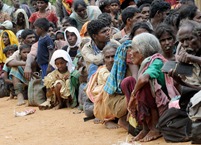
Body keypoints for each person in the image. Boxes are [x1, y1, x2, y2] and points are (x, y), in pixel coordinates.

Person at [121, 33, 179, 142]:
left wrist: (133, 95)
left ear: (142, 50)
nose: (131, 52)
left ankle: (155, 127)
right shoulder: (145, 62)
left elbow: (144, 79)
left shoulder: (156, 61)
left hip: (164, 102)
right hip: (154, 99)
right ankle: (145, 127)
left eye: (133, 49)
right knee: (127, 82)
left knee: (145, 85)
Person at [86, 41, 128, 129]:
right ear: (104, 60)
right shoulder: (103, 71)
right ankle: (108, 120)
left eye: (113, 56)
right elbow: (112, 80)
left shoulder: (122, 68)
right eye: (107, 57)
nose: (111, 60)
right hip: (105, 100)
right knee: (108, 88)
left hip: (117, 100)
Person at [169, 20, 201, 110]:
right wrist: (179, 82)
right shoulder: (186, 56)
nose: (185, 44)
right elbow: (191, 91)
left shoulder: (190, 56)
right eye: (182, 41)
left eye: (188, 39)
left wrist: (193, 58)